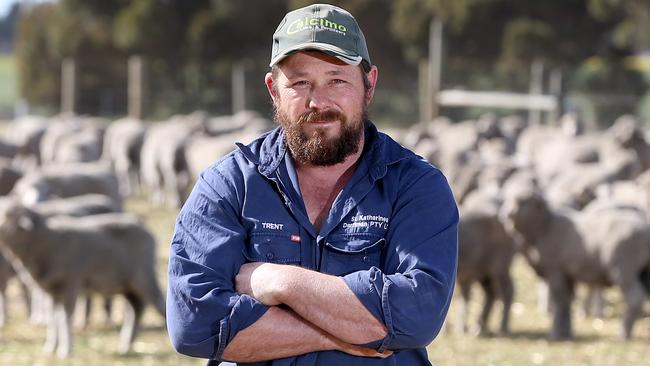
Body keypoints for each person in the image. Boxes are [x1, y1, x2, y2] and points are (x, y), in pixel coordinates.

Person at [166, 3, 458, 365]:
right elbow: (194, 326)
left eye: (337, 79)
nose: (319, 102)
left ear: (369, 85)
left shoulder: (415, 186)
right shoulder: (229, 185)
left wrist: (280, 281)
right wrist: (349, 333)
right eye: (300, 82)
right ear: (273, 90)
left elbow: (417, 316)